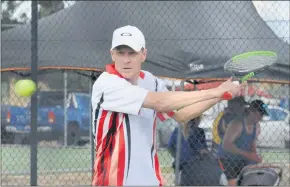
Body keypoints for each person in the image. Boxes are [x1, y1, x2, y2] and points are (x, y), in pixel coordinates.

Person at [91, 25, 243, 186]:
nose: (126, 59)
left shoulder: (151, 81)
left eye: (132, 53)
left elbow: (180, 114)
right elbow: (159, 102)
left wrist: (219, 95)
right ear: (112, 54)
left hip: (149, 180)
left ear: (143, 55)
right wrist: (215, 91)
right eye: (120, 53)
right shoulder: (107, 84)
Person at [216, 100, 268, 186]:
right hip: (227, 159)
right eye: (260, 114)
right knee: (233, 182)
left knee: (256, 176)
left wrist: (255, 156)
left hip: (242, 159)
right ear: (251, 111)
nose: (261, 117)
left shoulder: (256, 126)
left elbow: (252, 143)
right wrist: (247, 154)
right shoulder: (237, 123)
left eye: (262, 115)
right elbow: (226, 145)